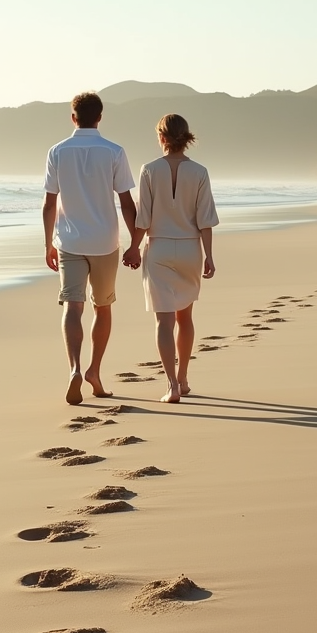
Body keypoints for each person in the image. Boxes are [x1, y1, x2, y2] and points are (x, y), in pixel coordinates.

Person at [43, 91, 138, 405]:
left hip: (69, 241)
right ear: (100, 117)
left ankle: (74, 368)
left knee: (73, 307)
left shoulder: (57, 151)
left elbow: (49, 203)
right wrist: (135, 242)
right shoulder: (113, 151)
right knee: (103, 307)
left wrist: (48, 244)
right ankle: (94, 372)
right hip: (104, 242)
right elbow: (126, 203)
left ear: (73, 117)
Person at [122, 114, 218, 403]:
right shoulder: (200, 172)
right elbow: (205, 219)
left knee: (164, 321)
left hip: (159, 248)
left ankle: (172, 385)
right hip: (190, 248)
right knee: (185, 317)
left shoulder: (149, 170)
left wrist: (133, 248)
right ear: (184, 137)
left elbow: (144, 217)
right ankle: (185, 378)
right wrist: (209, 256)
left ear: (162, 137)